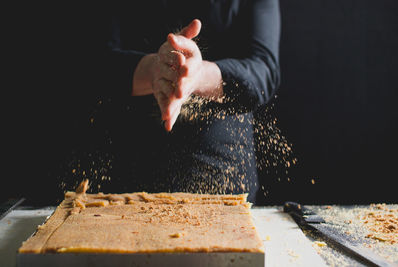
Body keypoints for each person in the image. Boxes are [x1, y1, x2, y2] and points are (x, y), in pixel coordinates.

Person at [94, 0, 281, 204]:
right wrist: (153, 70)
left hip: (222, 177)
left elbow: (264, 72)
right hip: (123, 173)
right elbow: (86, 62)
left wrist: (198, 76)